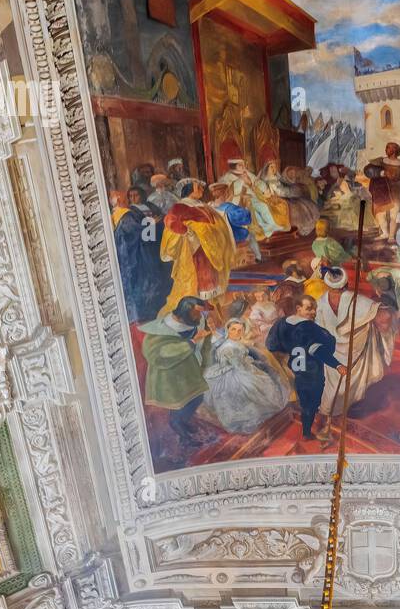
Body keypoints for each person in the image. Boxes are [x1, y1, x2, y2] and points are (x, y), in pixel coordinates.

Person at [314, 266, 397, 412]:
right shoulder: (357, 301)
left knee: (333, 385)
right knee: (351, 383)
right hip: (355, 352)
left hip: (331, 354)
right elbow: (385, 317)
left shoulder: (320, 303)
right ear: (346, 283)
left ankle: (332, 408)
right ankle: (348, 404)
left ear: (327, 283)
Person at [266, 295, 347, 440]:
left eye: (314, 309)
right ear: (298, 308)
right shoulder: (310, 328)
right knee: (311, 403)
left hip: (293, 371)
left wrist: (287, 355)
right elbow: (319, 350)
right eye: (309, 309)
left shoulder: (281, 323)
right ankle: (306, 433)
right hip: (311, 373)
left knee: (304, 401)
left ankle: (306, 425)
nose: (313, 312)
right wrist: (338, 365)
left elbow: (271, 345)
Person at [139, 296, 213, 451]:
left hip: (190, 371)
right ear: (185, 313)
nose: (200, 317)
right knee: (180, 403)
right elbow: (157, 355)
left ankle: (182, 421)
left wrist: (206, 361)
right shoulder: (160, 331)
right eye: (196, 314)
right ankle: (182, 433)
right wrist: (191, 343)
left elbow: (204, 343)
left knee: (197, 396)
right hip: (170, 376)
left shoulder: (195, 322)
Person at [157, 179, 238, 316]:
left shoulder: (203, 205)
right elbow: (170, 221)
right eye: (198, 186)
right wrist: (188, 231)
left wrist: (213, 231)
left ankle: (208, 303)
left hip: (209, 244)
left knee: (209, 273)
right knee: (199, 274)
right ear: (189, 188)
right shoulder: (180, 206)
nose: (201, 188)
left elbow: (215, 220)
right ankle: (196, 306)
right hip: (193, 246)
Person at [202, 319, 291, 433]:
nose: (237, 332)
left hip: (241, 366)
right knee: (254, 385)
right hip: (234, 372)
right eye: (233, 329)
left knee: (265, 375)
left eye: (240, 330)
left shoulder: (233, 342)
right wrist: (252, 366)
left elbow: (242, 359)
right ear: (227, 330)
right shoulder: (228, 347)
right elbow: (238, 366)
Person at [114, 186, 172, 323]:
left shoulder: (151, 206)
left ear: (142, 195)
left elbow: (161, 219)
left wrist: (157, 224)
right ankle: (147, 314)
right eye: (131, 196)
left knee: (163, 275)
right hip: (143, 250)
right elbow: (138, 231)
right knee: (149, 279)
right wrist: (152, 223)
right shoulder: (130, 212)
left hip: (157, 245)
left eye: (136, 195)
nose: (134, 198)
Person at [363, 142, 400, 241]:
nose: (386, 150)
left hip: (397, 193)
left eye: (389, 148)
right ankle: (385, 233)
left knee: (394, 215)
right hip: (382, 192)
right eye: (387, 148)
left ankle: (391, 236)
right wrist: (381, 173)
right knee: (380, 213)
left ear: (395, 151)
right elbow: (367, 170)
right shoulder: (380, 161)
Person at [224, 159, 286, 241]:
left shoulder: (246, 172)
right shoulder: (228, 176)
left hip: (253, 196)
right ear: (233, 166)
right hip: (239, 200)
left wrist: (264, 189)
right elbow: (230, 191)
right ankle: (265, 229)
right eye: (240, 165)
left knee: (263, 206)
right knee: (254, 214)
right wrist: (242, 181)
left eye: (243, 165)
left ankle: (272, 224)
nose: (243, 167)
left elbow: (257, 181)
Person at [207, 182, 261, 263]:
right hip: (231, 234)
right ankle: (258, 257)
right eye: (228, 192)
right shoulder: (228, 207)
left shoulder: (209, 206)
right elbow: (245, 220)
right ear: (225, 194)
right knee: (251, 235)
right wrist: (246, 206)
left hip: (217, 235)